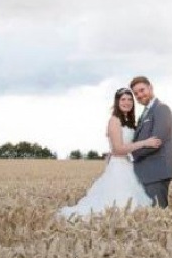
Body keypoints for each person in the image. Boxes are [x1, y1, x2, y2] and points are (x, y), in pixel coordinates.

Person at [57, 87, 161, 219]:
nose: (127, 102)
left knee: (133, 206)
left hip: (128, 165)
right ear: (117, 102)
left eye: (130, 99)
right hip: (118, 167)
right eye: (123, 99)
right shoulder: (114, 120)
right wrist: (145, 142)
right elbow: (117, 150)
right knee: (119, 205)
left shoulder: (129, 121)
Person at [129, 76, 172, 208]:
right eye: (136, 93)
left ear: (150, 87)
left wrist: (129, 154)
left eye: (142, 90)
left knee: (157, 217)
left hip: (156, 173)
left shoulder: (162, 109)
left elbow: (156, 142)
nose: (139, 95)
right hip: (144, 173)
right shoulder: (145, 113)